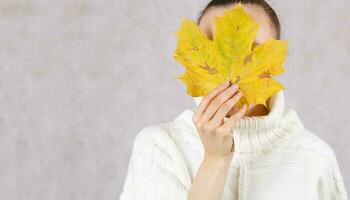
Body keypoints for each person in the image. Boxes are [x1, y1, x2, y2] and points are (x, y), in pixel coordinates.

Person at [119, 0, 348, 199]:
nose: (229, 70)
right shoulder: (159, 145)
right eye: (212, 50)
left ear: (276, 63)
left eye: (252, 49)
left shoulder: (316, 158)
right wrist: (215, 160)